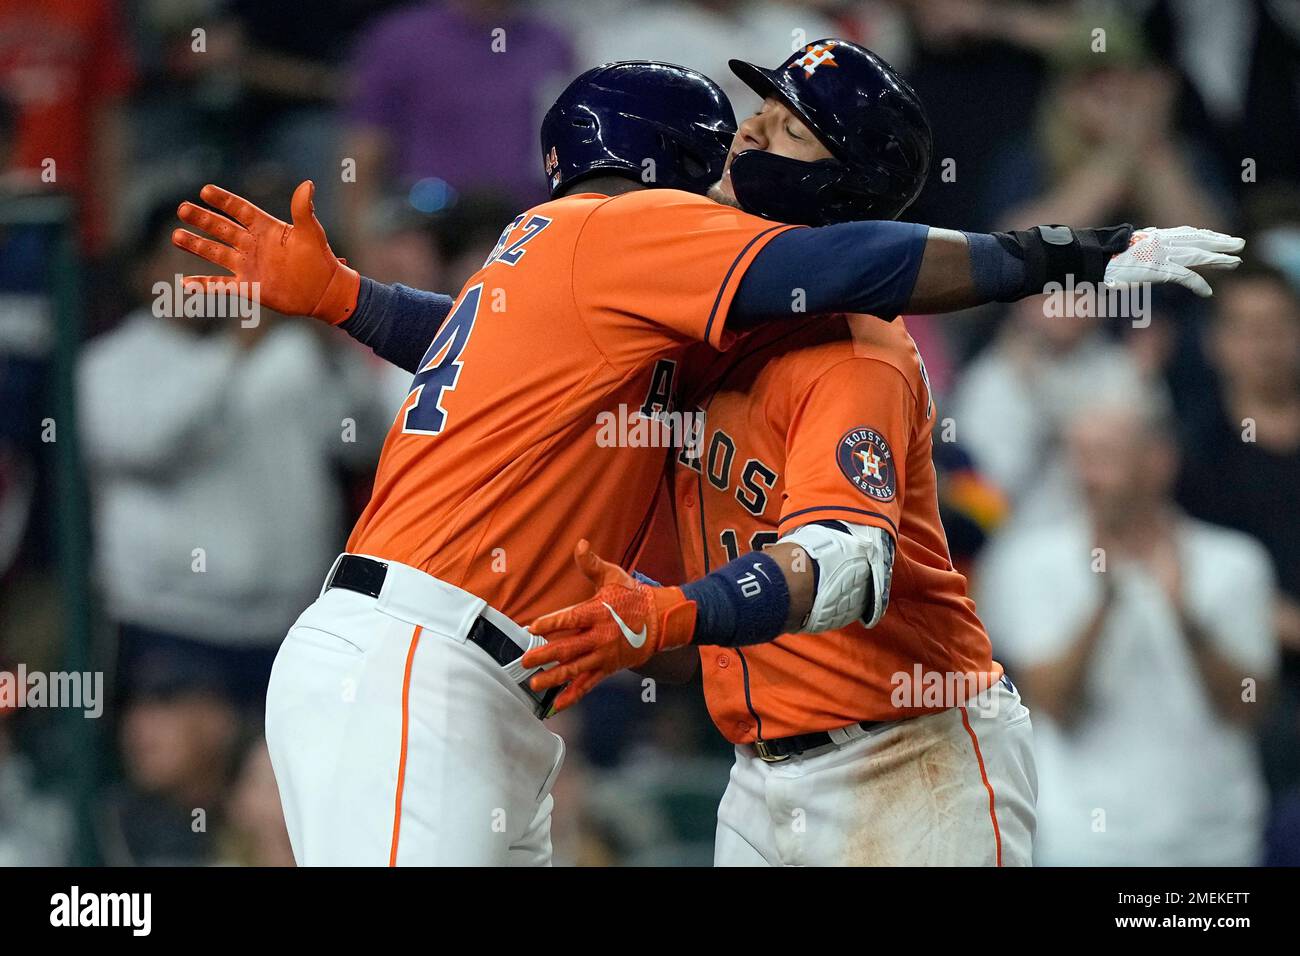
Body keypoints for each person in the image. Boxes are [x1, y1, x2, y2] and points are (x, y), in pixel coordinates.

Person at [171, 54, 1239, 865]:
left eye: (789, 126)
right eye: (759, 110)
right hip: (507, 682)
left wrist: (1064, 254)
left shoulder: (847, 346)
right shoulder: (664, 289)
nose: (749, 134)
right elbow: (513, 346)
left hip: (905, 753)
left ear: (838, 191)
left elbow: (850, 559)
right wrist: (350, 299)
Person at [976, 396, 1276, 865]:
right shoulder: (1032, 563)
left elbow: (1248, 706)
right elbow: (1053, 703)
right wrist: (1104, 603)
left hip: (1218, 841)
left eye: (1105, 457)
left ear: (1158, 462)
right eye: (1078, 456)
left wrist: (1185, 617)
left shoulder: (1235, 562)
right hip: (1086, 844)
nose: (1086, 476)